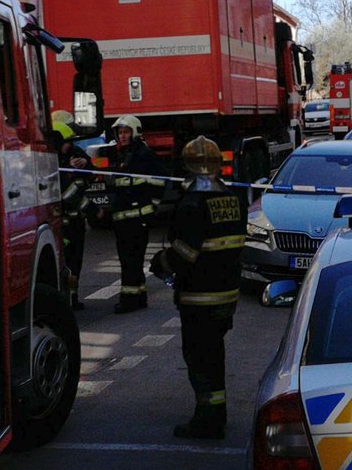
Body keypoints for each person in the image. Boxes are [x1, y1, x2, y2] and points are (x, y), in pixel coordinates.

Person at [148, 136, 246, 439]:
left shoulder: (191, 203)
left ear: (187, 165)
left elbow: (185, 253)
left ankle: (207, 419)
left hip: (199, 295)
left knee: (200, 358)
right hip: (227, 293)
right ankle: (218, 411)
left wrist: (160, 263)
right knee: (215, 355)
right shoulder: (231, 198)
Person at [104, 115, 167, 314]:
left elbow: (158, 183)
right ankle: (139, 296)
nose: (122, 136)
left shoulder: (143, 155)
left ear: (135, 133)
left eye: (126, 132)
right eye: (120, 132)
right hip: (126, 218)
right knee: (131, 260)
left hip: (135, 218)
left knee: (130, 260)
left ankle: (129, 300)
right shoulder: (125, 154)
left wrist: (151, 209)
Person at [51, 119, 92, 310]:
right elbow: (66, 193)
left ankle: (73, 298)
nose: (70, 145)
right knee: (64, 262)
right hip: (62, 223)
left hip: (77, 222)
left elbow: (92, 173)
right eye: (67, 142)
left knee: (76, 262)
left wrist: (85, 164)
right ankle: (64, 300)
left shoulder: (75, 153)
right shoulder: (50, 161)